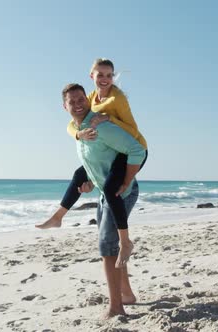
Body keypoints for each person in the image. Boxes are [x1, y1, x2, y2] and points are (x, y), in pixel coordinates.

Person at [36, 59, 147, 269]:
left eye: (109, 75)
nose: (105, 79)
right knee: (81, 173)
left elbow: (133, 133)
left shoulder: (117, 98)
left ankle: (125, 241)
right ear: (92, 77)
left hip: (134, 147)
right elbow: (72, 122)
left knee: (113, 188)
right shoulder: (89, 98)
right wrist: (79, 134)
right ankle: (58, 216)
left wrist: (107, 119)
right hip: (115, 146)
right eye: (100, 75)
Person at [57, 83, 145, 318]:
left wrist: (125, 181)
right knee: (110, 245)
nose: (77, 104)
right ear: (64, 106)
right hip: (105, 194)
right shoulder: (80, 130)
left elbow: (137, 150)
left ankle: (116, 307)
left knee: (107, 247)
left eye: (80, 99)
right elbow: (101, 163)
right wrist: (91, 183)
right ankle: (126, 294)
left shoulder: (99, 126)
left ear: (87, 99)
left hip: (121, 193)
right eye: (71, 102)